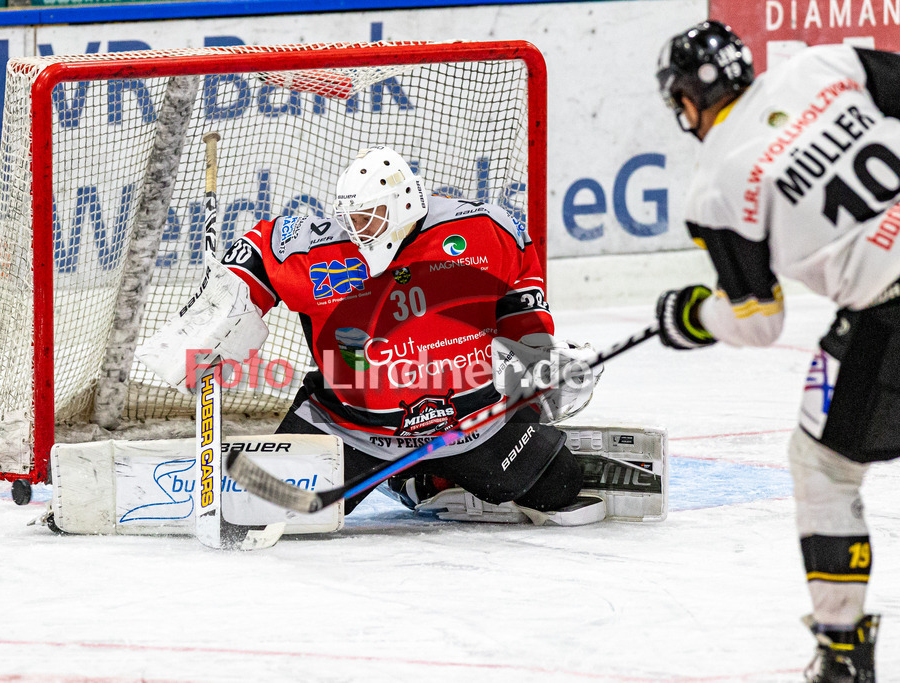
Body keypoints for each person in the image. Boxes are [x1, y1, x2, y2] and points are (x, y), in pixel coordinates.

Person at [654, 20, 900, 681]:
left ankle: (844, 650)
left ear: (686, 103)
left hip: (889, 316)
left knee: (821, 467)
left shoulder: (715, 185)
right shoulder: (823, 65)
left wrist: (692, 315)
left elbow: (759, 320)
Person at [212, 145, 603, 523]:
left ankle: (424, 480)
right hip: (351, 427)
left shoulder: (480, 228)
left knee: (560, 487)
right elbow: (258, 254)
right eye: (352, 217)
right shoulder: (321, 246)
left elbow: (520, 275)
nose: (357, 228)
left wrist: (536, 347)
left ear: (404, 205)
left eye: (369, 216)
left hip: (470, 423)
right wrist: (220, 306)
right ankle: (398, 475)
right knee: (268, 507)